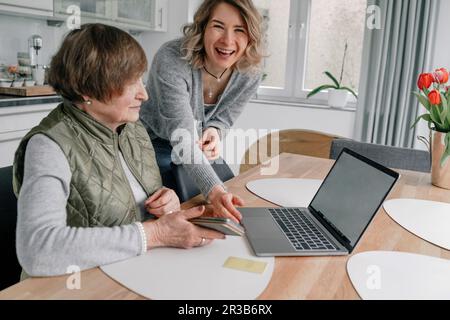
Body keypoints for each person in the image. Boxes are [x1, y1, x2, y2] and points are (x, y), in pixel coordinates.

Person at [13, 23, 224, 278]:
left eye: (141, 79)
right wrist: (154, 233)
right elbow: (38, 250)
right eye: (130, 82)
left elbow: (135, 205)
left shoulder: (133, 130)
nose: (144, 95)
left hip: (131, 270)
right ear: (87, 89)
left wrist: (169, 202)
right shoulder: (48, 146)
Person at [140, 0, 264, 223]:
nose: (227, 40)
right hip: (150, 143)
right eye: (218, 26)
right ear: (202, 27)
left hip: (193, 145)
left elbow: (224, 118)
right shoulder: (172, 59)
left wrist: (215, 131)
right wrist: (214, 191)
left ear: (250, 37)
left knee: (212, 206)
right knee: (166, 213)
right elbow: (182, 137)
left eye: (239, 30)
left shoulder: (250, 73)